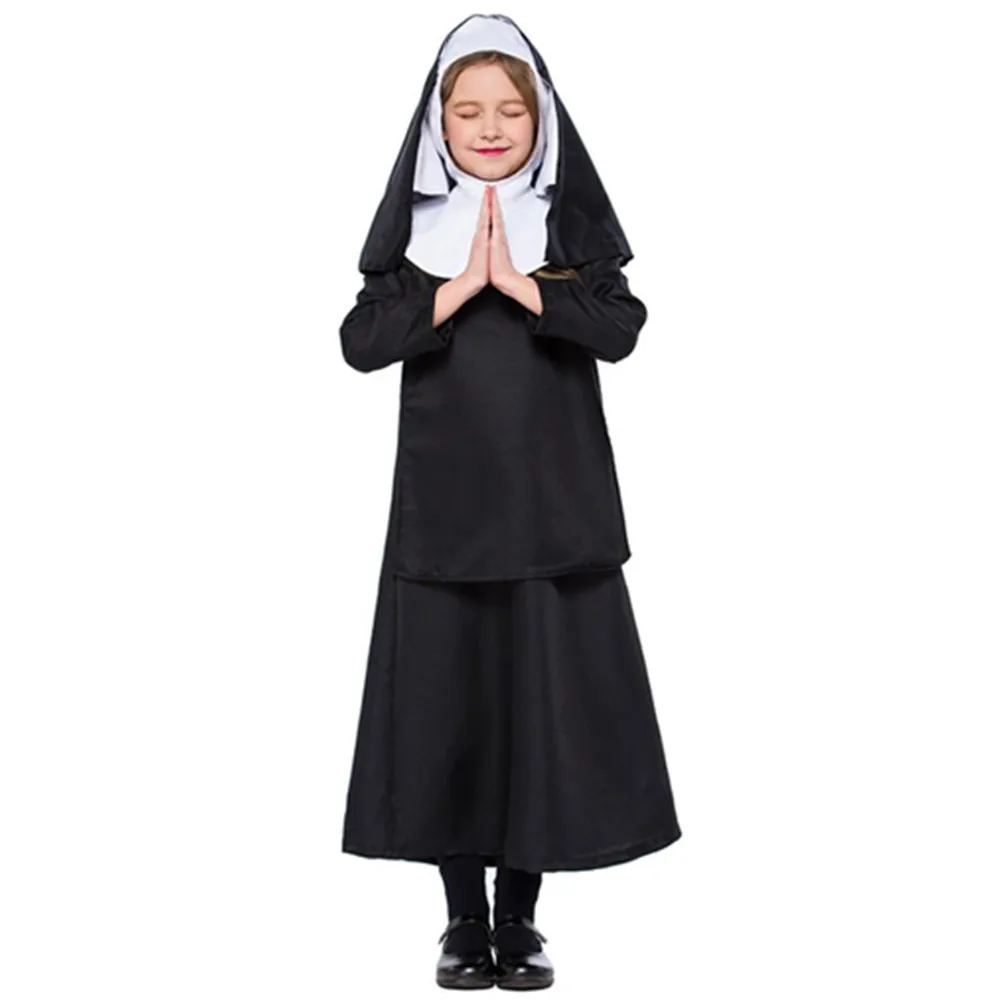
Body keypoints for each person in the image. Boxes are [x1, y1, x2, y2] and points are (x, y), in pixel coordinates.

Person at [338, 13, 682, 991]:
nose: (490, 127)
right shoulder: (418, 236)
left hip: (553, 513)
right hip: (443, 515)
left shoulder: (565, 227)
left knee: (538, 712)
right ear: (437, 123)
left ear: (541, 122)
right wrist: (456, 290)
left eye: (510, 111)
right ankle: (461, 920)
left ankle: (520, 919)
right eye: (468, 110)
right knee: (451, 708)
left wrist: (525, 289)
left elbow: (620, 328)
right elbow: (361, 342)